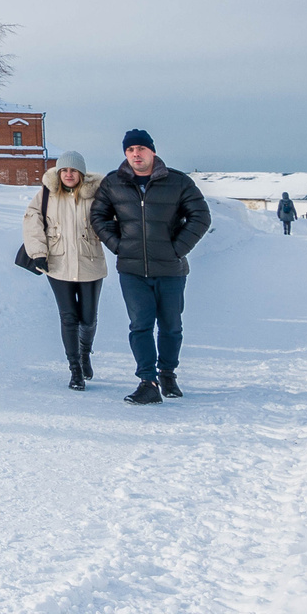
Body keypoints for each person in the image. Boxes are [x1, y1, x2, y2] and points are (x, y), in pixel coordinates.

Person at [90, 128, 211, 406]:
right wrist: (119, 246)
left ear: (152, 151)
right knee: (140, 325)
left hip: (171, 269)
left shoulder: (178, 182)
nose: (136, 154)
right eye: (130, 150)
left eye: (141, 149)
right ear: (125, 154)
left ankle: (167, 373)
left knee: (171, 326)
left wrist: (177, 249)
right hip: (132, 271)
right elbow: (99, 216)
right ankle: (148, 381)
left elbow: (200, 216)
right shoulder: (113, 183)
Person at [21, 152, 105, 390]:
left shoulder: (97, 194)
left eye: (73, 171)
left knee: (88, 318)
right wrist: (38, 252)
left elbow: (112, 220)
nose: (68, 175)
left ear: (82, 173)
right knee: (68, 317)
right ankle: (75, 368)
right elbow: (31, 219)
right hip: (58, 264)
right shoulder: (47, 193)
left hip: (90, 262)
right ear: (58, 173)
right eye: (64, 171)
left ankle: (85, 352)